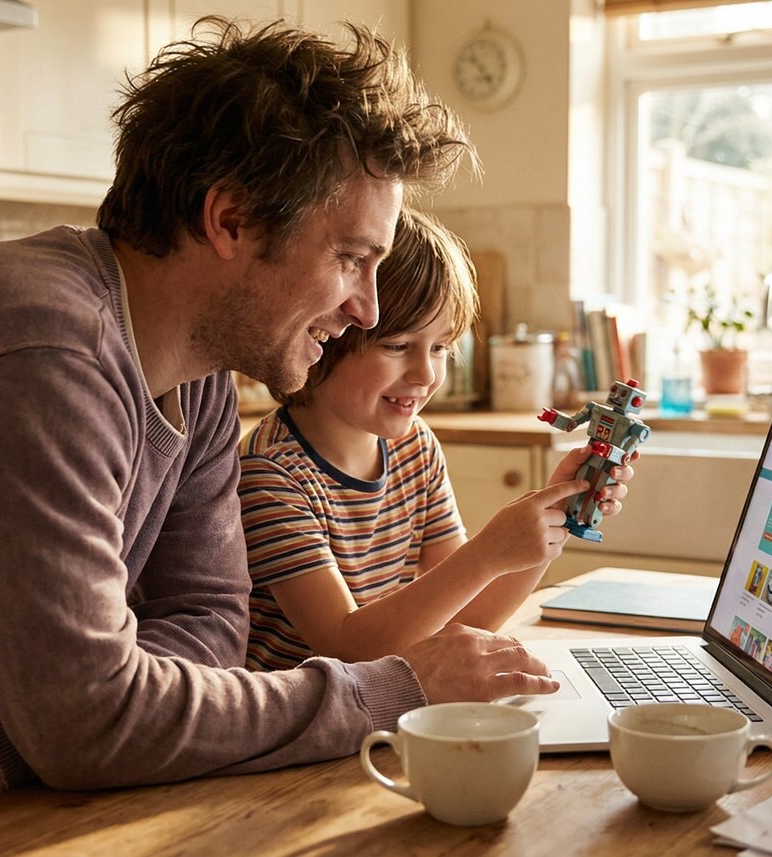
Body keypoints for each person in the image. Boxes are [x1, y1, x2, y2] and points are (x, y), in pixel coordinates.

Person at [0, 17, 558, 854]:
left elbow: (205, 624)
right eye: (351, 258)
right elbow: (92, 719)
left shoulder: (196, 372)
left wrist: (0, 742)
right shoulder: (37, 351)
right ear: (230, 219)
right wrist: (397, 689)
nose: (363, 306)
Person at [238, 209, 634, 670]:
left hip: (387, 707)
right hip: (310, 727)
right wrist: (487, 553)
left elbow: (470, 618)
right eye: (398, 346)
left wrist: (556, 516)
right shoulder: (270, 476)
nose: (426, 375)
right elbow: (345, 648)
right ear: (328, 332)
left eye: (441, 347)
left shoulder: (414, 448)